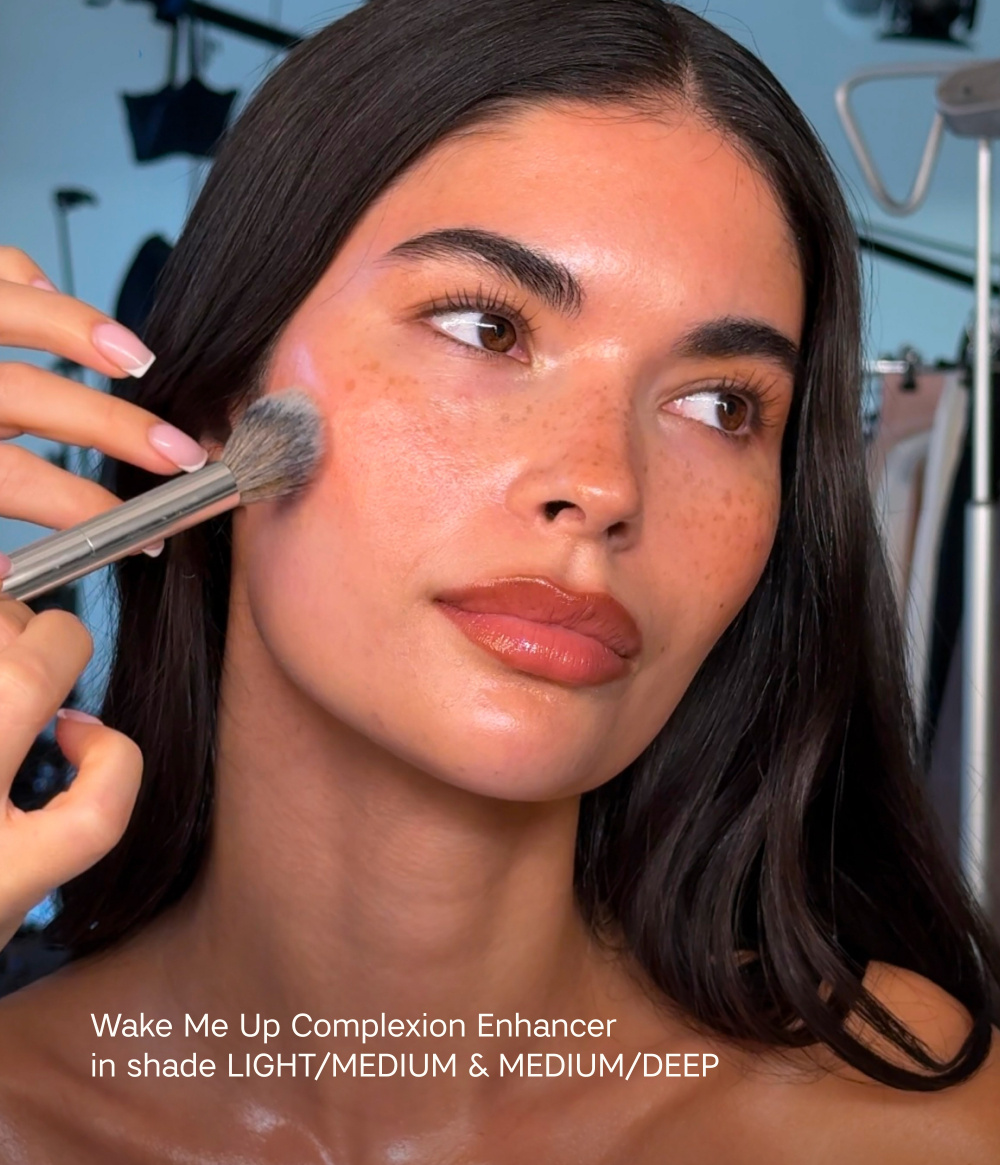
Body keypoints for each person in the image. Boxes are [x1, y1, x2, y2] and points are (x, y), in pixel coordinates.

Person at [0, 0, 997, 1160]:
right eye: (484, 327)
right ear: (227, 400)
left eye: (719, 402)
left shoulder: (916, 1120)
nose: (604, 483)